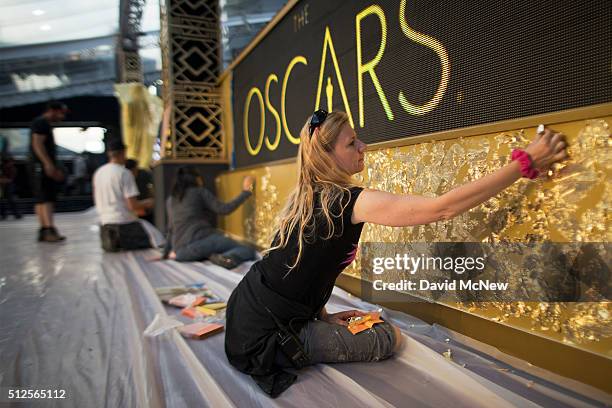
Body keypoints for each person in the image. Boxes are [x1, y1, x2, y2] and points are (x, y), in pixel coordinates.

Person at [224, 110, 568, 397]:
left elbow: (303, 268)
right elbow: (442, 209)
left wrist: (324, 316)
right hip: (263, 338)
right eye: (351, 143)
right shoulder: (347, 201)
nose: (363, 146)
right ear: (328, 155)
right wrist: (525, 163)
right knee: (387, 337)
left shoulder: (307, 195)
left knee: (368, 323)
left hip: (244, 308)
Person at [161, 166, 257, 269]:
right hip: (198, 244)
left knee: (216, 242)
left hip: (180, 253)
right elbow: (224, 209)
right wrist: (246, 192)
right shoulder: (199, 192)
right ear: (196, 178)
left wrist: (165, 254)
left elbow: (171, 230)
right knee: (248, 250)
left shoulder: (170, 200)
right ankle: (226, 257)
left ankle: (214, 255)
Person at [93, 138, 155, 252]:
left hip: (105, 230)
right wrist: (149, 203)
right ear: (123, 153)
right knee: (156, 241)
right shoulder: (124, 173)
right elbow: (132, 206)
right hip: (124, 226)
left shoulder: (99, 173)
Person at [30, 101, 68, 241]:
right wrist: (48, 164)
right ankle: (49, 229)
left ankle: (44, 229)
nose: (62, 117)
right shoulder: (41, 123)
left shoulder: (41, 123)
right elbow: (37, 143)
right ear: (52, 110)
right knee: (47, 197)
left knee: (41, 198)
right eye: (61, 113)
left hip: (37, 165)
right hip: (40, 165)